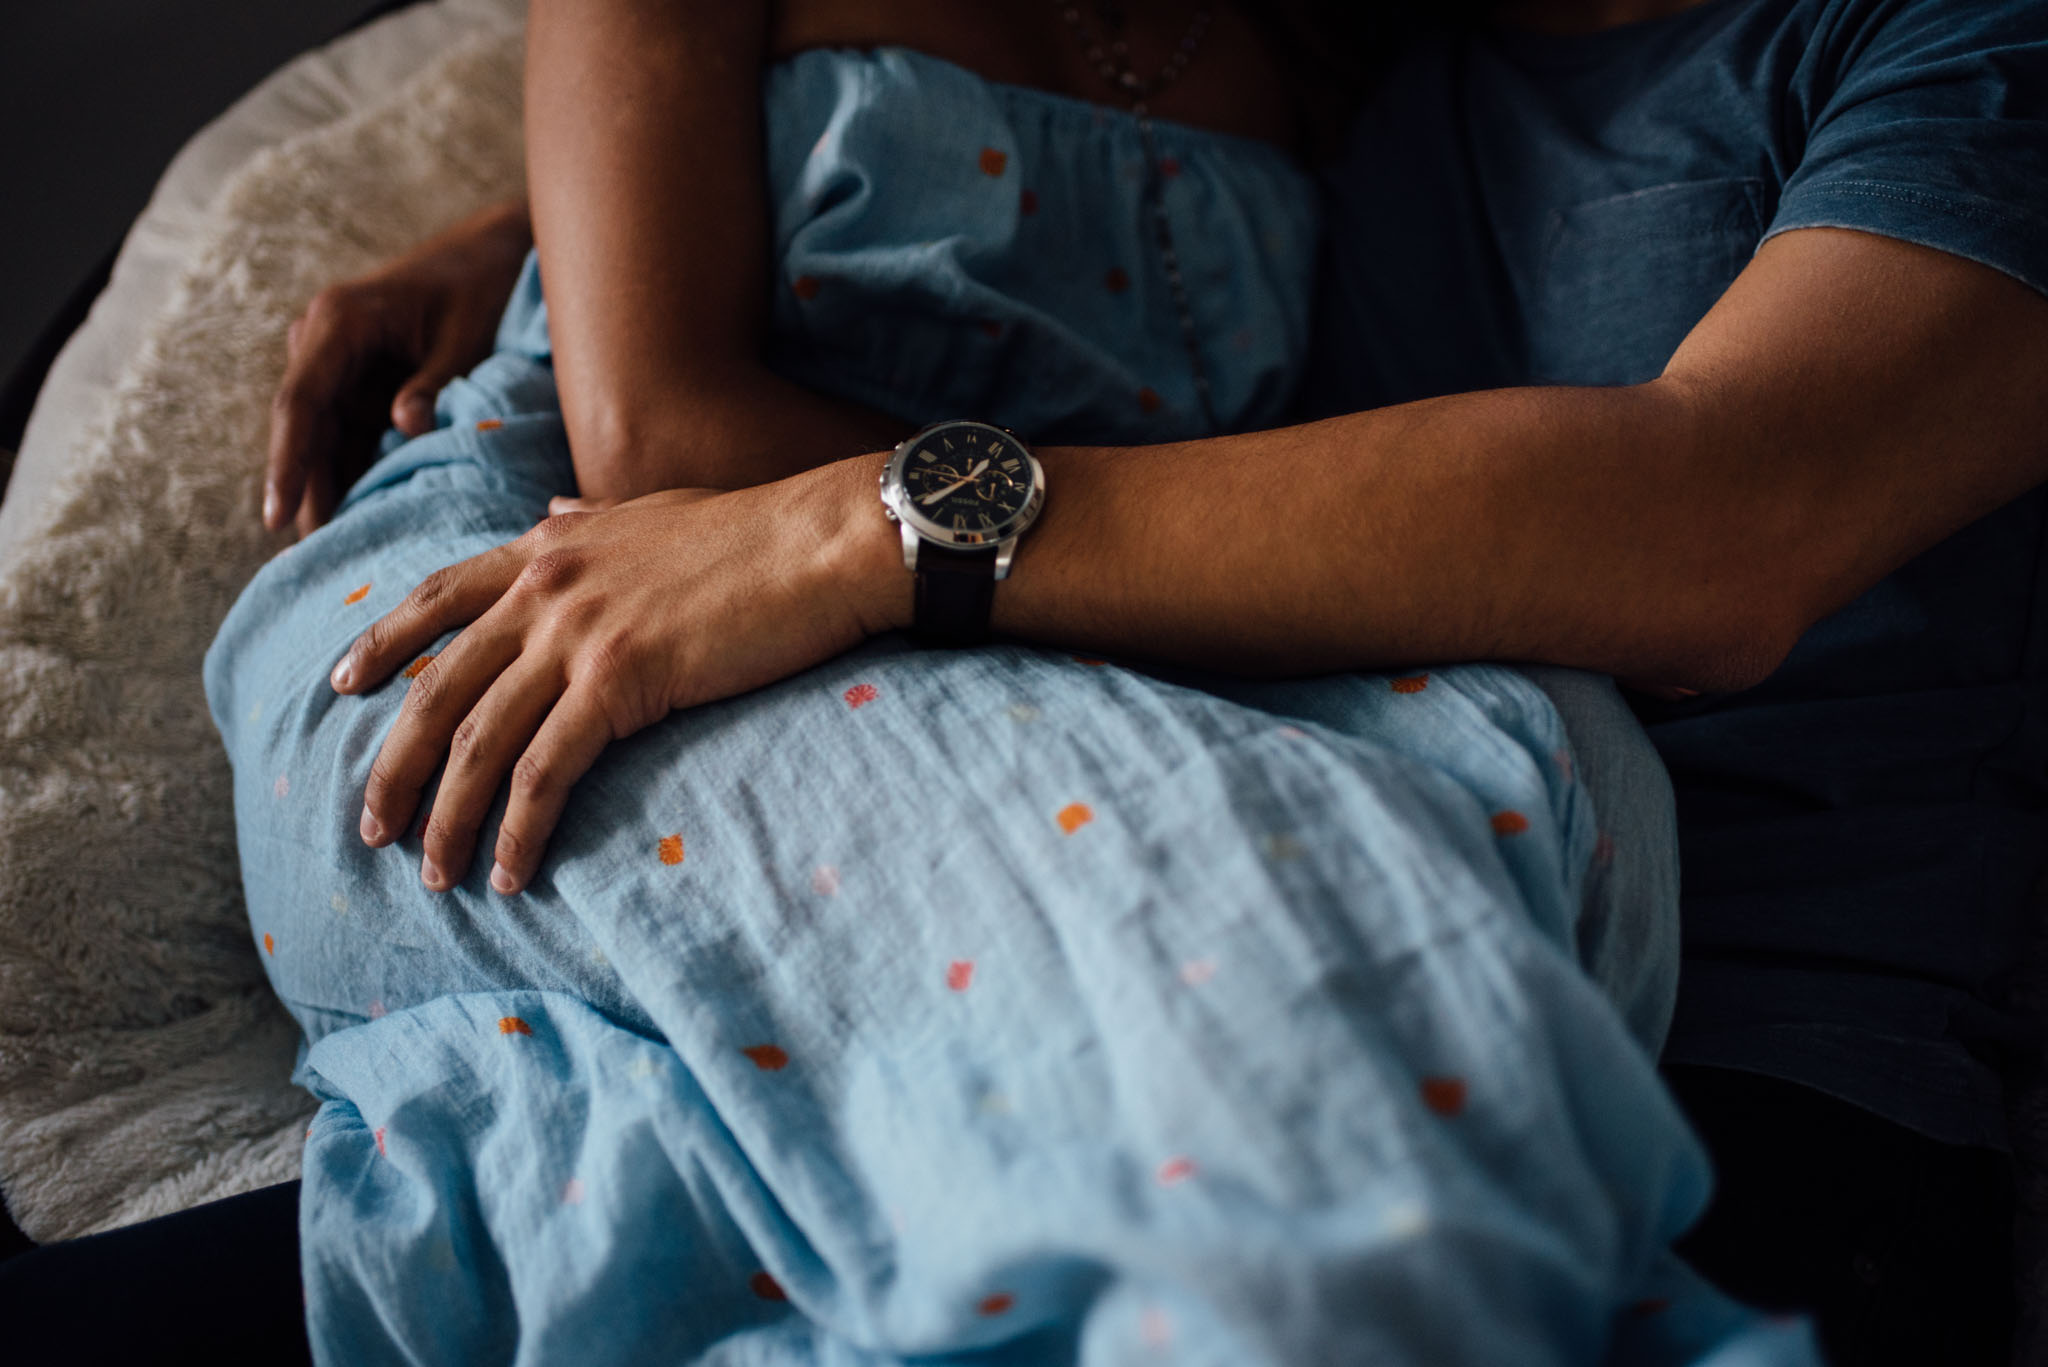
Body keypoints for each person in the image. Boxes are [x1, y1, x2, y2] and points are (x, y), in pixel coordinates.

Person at [279, 0, 2046, 1361]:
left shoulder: (1969, 47)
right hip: (1204, 847)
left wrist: (859, 531)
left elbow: (1719, 523)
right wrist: (533, 234)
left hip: (1782, 1052)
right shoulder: (1391, 54)